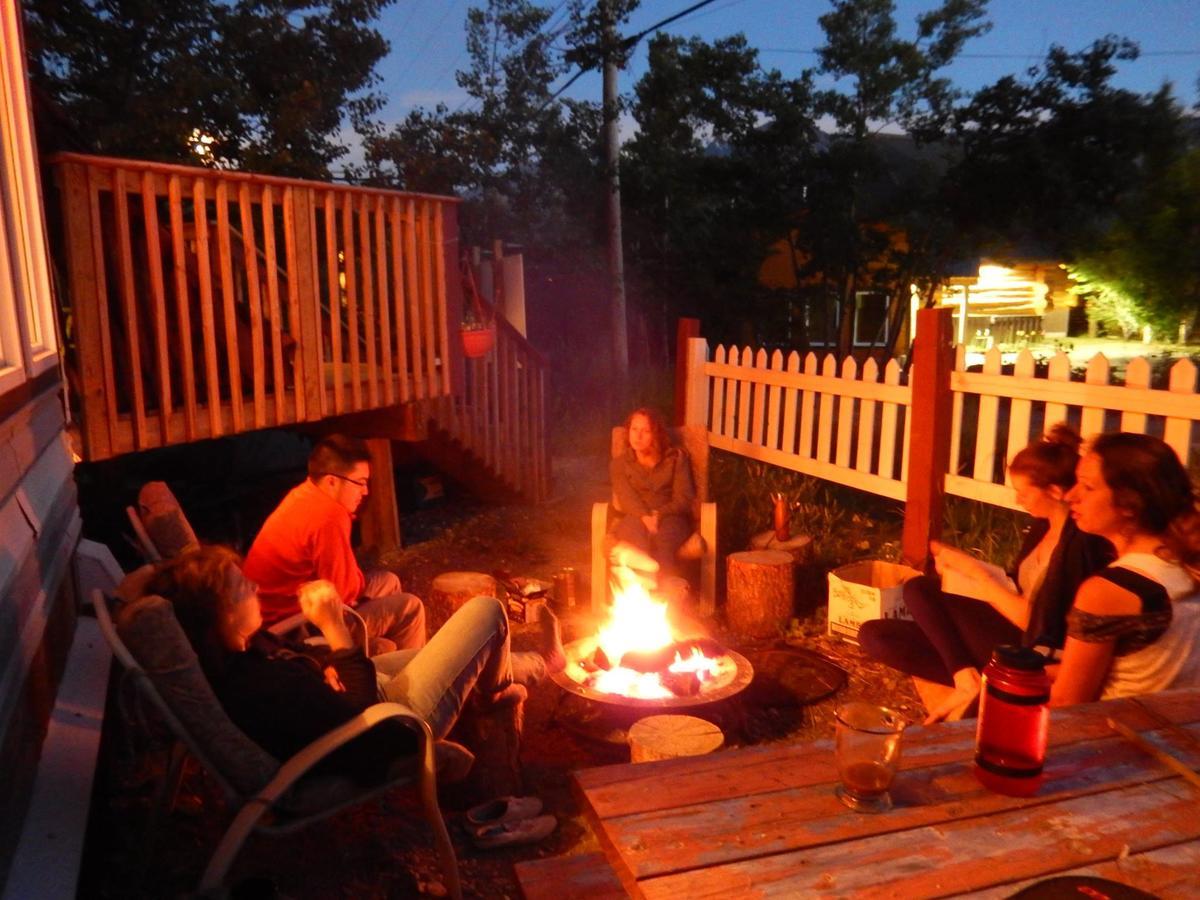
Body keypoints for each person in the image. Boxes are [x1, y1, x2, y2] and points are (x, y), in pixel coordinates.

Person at [145, 546, 566, 784]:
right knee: (488, 611)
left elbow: (302, 674)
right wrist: (334, 630)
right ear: (218, 613)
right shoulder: (256, 687)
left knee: (456, 648)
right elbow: (361, 718)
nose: (253, 586)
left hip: (356, 691)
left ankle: (539, 664)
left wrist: (322, 664)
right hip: (388, 722)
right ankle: (502, 686)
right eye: (242, 587)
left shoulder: (239, 649)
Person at [858, 425, 1113, 723]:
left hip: (1028, 646)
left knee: (920, 590)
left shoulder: (1078, 544)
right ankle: (967, 678)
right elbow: (1015, 582)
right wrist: (965, 571)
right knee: (878, 634)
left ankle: (980, 682)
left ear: (1054, 491)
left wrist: (976, 576)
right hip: (1003, 624)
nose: (1018, 501)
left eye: (1023, 492)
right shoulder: (1044, 524)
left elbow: (1040, 624)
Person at [1050, 432, 1200, 705]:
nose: (1071, 495)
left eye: (1088, 487)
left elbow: (1066, 705)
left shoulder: (1109, 592)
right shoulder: (1187, 567)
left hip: (1122, 740)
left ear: (1129, 504)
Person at [243, 435, 425, 653]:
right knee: (410, 607)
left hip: (284, 615)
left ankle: (381, 662)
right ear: (332, 481)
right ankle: (415, 680)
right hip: (293, 628)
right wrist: (354, 581)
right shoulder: (328, 516)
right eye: (360, 482)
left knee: (389, 581)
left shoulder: (305, 493)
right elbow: (344, 592)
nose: (365, 492)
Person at [610, 407, 695, 579]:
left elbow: (684, 498)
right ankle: (642, 594)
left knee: (664, 545)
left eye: (645, 431)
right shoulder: (619, 464)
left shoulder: (676, 459)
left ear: (656, 435)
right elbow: (626, 497)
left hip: (671, 516)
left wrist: (660, 514)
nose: (637, 436)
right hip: (635, 515)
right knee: (636, 544)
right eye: (634, 429)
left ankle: (665, 598)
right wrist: (644, 516)